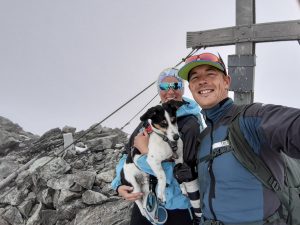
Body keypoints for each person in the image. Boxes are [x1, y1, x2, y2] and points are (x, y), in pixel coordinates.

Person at [176, 52, 300, 225]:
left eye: (210, 74)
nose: (202, 81)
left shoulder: (250, 118)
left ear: (226, 82)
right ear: (191, 88)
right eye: (195, 77)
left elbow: (291, 126)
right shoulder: (202, 139)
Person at [111, 67, 205, 225]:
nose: (170, 92)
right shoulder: (150, 119)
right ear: (158, 90)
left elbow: (186, 170)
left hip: (178, 209)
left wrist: (146, 155)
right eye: (163, 87)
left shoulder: (190, 124)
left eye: (175, 86)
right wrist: (120, 184)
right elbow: (126, 154)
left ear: (182, 89)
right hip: (147, 205)